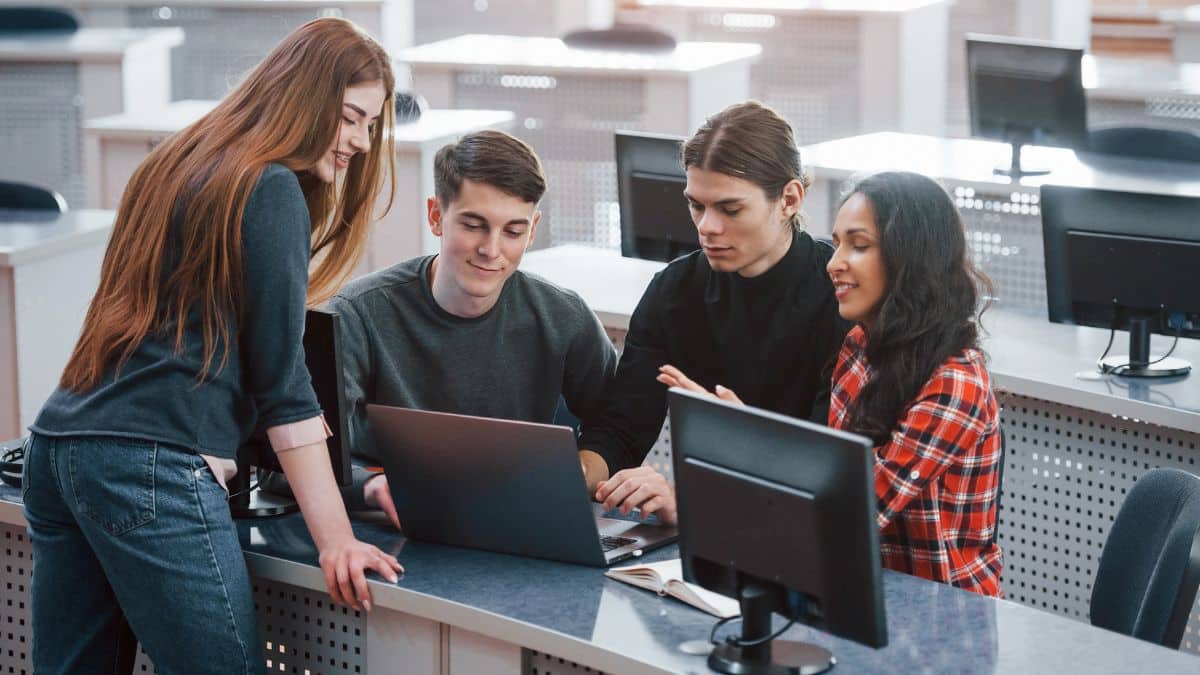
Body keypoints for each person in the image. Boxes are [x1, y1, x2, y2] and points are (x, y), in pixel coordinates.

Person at [21, 18, 402, 674]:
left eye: (370, 125)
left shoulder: (173, 162)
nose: (362, 143)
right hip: (147, 467)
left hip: (59, 450)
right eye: (350, 118)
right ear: (304, 97)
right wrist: (337, 539)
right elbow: (283, 385)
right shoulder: (272, 187)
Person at [319, 130, 618, 526]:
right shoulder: (357, 315)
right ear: (436, 216)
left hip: (518, 524)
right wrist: (370, 487)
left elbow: (618, 430)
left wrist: (577, 473)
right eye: (474, 225)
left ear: (532, 230)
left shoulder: (565, 317)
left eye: (513, 231)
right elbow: (284, 464)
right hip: (393, 528)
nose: (492, 250)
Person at [584, 101, 852, 524]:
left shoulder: (841, 298)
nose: (706, 226)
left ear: (789, 199)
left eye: (729, 209)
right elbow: (622, 430)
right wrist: (575, 474)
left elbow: (826, 470)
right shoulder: (674, 291)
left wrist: (690, 499)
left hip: (804, 532)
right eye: (696, 205)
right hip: (719, 532)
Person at [824, 170, 1002, 596]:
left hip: (945, 618)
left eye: (859, 245)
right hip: (871, 590)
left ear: (910, 258)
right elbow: (835, 474)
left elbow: (850, 512)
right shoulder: (859, 346)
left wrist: (756, 457)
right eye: (836, 245)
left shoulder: (954, 384)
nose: (834, 264)